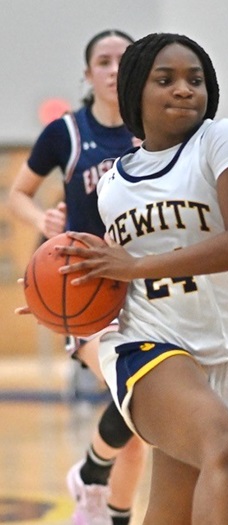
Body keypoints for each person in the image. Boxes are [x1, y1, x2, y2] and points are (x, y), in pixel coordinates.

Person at [56, 32, 228, 524]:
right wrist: (57, 294)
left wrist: (135, 266)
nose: (184, 90)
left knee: (172, 512)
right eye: (166, 79)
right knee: (227, 452)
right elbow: (102, 265)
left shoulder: (221, 139)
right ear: (136, 91)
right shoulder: (112, 184)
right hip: (148, 343)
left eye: (195, 80)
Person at [8, 29, 146, 525]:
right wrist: (41, 221)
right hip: (86, 290)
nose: (113, 70)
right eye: (103, 62)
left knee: (137, 431)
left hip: (145, 287)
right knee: (134, 391)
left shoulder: (154, 131)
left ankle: (106, 503)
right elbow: (17, 194)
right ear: (88, 75)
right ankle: (90, 479)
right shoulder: (65, 132)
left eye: (122, 61)